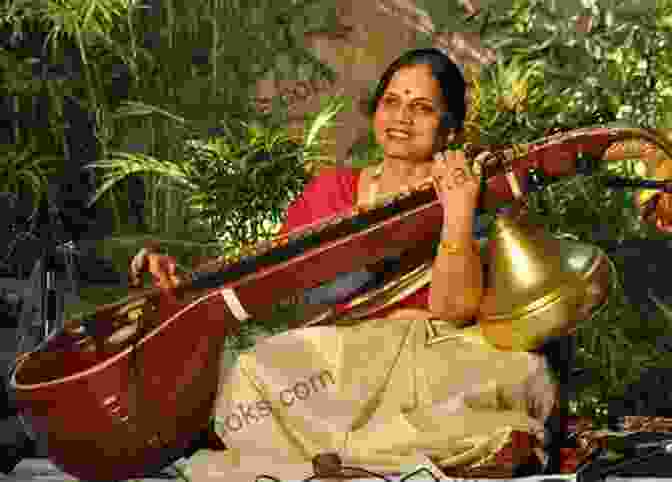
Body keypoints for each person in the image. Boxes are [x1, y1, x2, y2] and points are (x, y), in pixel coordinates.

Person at [136, 49, 557, 480]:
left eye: (422, 108)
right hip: (339, 366)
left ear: (449, 129)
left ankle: (333, 461)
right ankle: (391, 458)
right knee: (254, 370)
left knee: (522, 370)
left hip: (434, 361)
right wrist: (187, 280)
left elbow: (454, 311)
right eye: (391, 102)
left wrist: (458, 210)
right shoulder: (329, 193)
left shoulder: (474, 192)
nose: (402, 118)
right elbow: (267, 276)